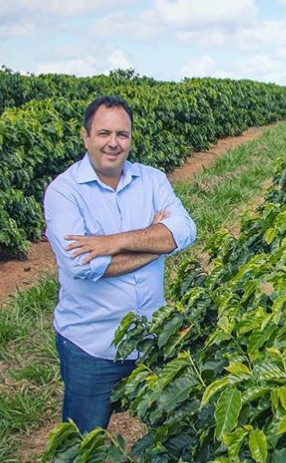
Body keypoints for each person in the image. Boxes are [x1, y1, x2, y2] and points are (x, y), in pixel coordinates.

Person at [43, 95, 196, 433]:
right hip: (92, 346)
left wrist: (113, 242)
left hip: (153, 339)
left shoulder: (152, 180)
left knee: (168, 435)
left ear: (130, 138)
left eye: (122, 135)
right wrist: (156, 242)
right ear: (85, 136)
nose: (113, 143)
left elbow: (184, 232)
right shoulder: (64, 192)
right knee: (82, 442)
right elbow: (81, 264)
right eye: (103, 133)